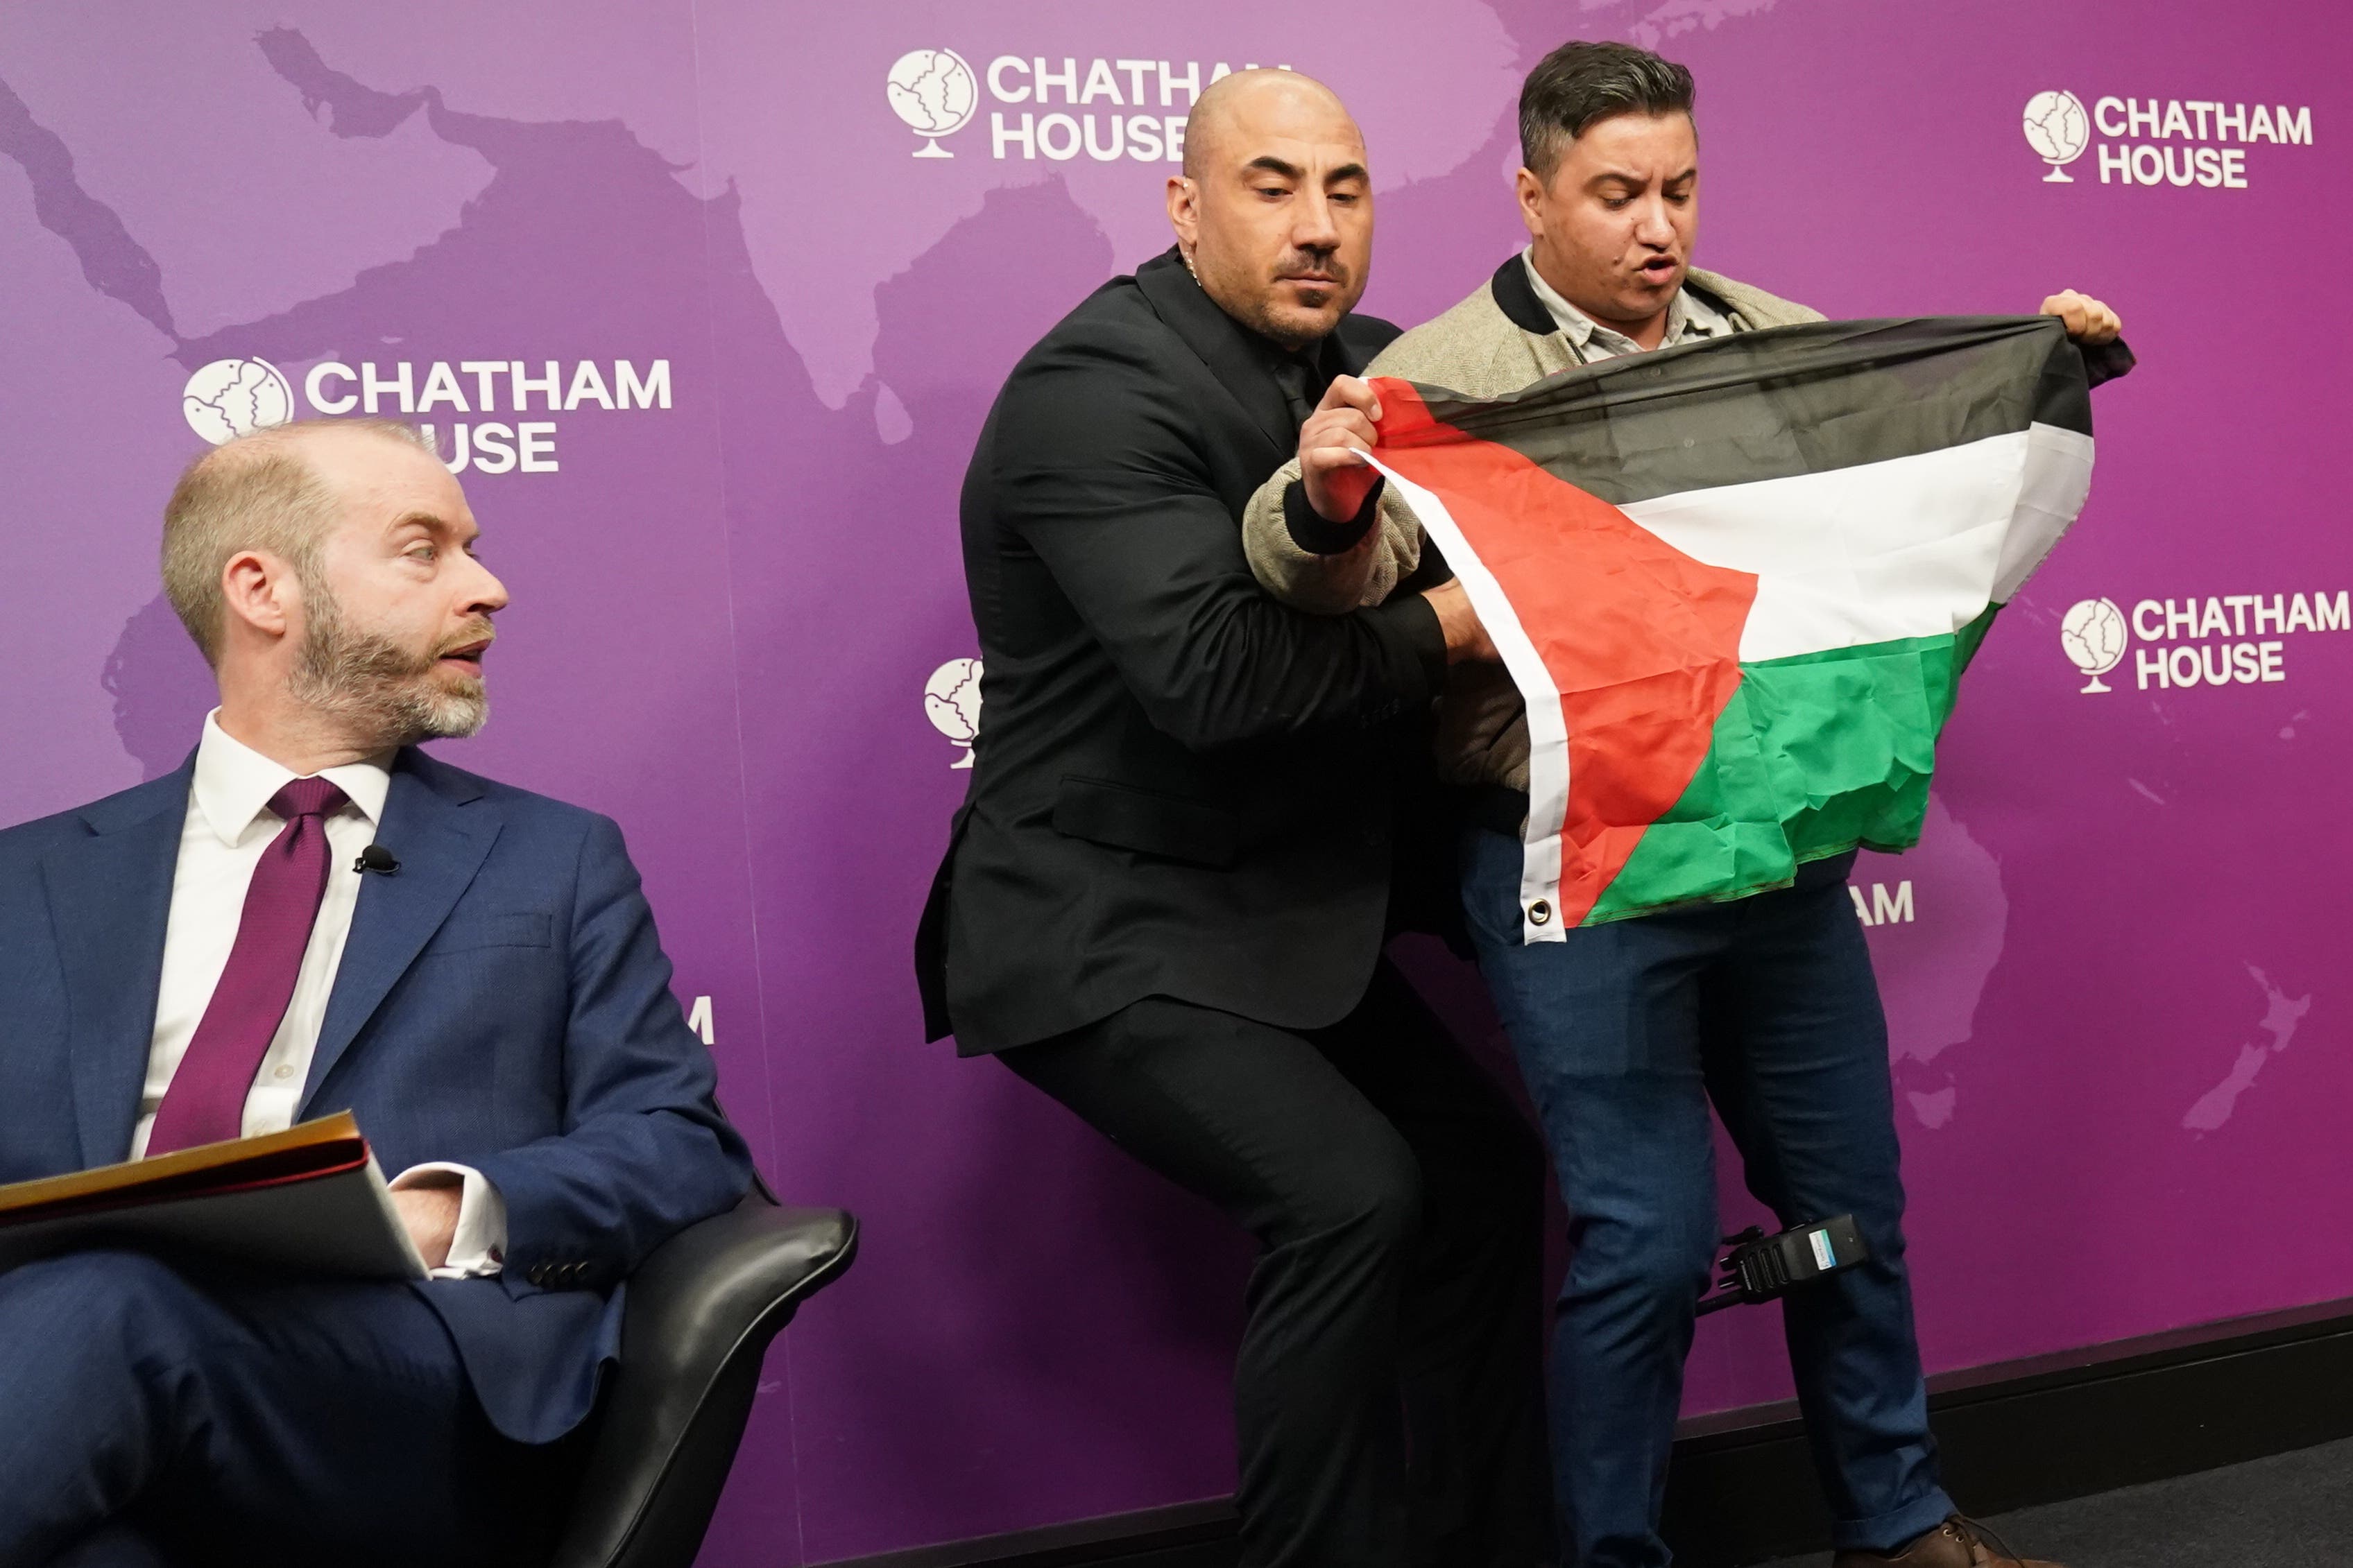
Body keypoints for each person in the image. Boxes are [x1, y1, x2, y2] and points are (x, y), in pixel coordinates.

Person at [1241, 41, 2125, 1568]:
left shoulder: (1769, 340)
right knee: (1642, 1248)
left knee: (1847, 1206)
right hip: (1580, 866)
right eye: (1616, 195)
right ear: (1532, 194)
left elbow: (1901, 459)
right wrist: (1321, 498)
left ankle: (1900, 1524)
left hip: (1771, 848)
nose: (1658, 226)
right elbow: (1321, 561)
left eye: (1679, 189)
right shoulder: (1443, 371)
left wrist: (2033, 372)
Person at [915, 68, 1549, 1568]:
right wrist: (1460, 626)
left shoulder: (1382, 368)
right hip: (1101, 926)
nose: (1316, 225)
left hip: (1279, 919)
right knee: (1352, 1198)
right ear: (1186, 208)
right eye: (1272, 187)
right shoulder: (1091, 388)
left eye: (1344, 188)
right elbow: (1216, 681)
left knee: (1478, 1180)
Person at [0, 418, 755, 1565]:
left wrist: (448, 1210)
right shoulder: (31, 878)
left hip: (402, 1396)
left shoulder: (553, 860)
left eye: (472, 548)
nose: (488, 587)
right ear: (264, 587)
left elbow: (680, 1143)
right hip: (68, 1380)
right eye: (425, 549)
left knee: (120, 1304)